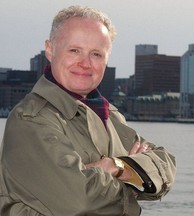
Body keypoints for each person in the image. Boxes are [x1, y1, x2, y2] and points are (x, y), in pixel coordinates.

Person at [0, 5, 176, 216]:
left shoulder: (108, 115)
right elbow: (80, 202)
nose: (85, 63)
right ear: (50, 50)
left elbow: (165, 166)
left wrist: (115, 165)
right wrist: (133, 179)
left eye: (96, 54)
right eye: (74, 50)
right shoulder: (30, 119)